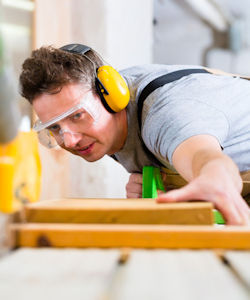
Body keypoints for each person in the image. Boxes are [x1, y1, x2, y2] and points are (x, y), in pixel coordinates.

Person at [19, 43, 250, 225]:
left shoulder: (166, 113)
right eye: (54, 128)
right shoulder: (104, 122)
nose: (69, 140)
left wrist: (214, 178)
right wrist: (154, 186)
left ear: (111, 95)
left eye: (77, 116)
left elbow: (204, 158)